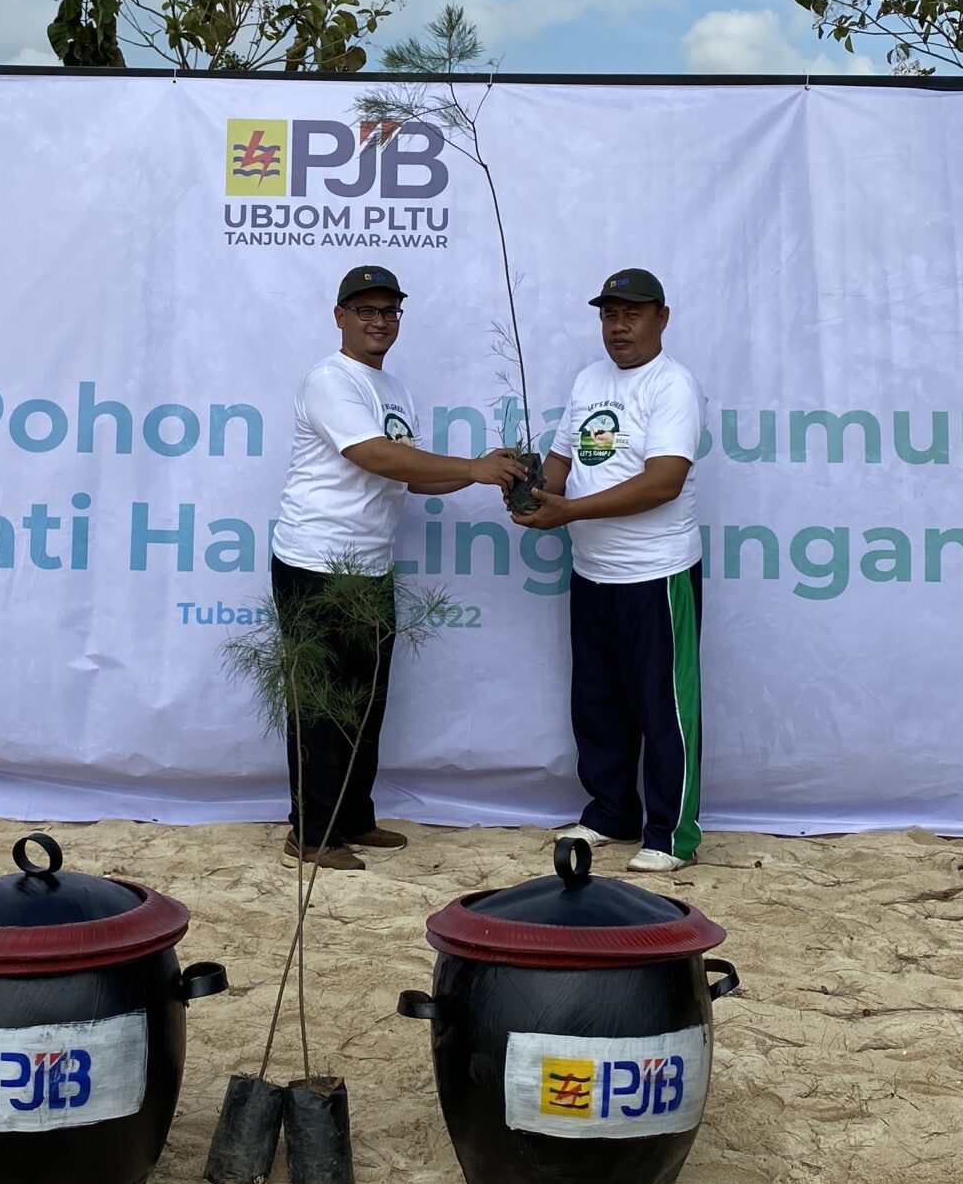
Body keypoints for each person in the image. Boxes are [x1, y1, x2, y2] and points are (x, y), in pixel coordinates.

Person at [272, 264, 529, 870]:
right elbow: (371, 454)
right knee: (321, 701)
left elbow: (409, 474)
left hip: (368, 562)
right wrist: (471, 468)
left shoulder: (395, 390)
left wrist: (488, 467)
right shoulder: (329, 380)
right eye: (366, 310)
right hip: (316, 560)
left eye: (388, 312)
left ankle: (352, 818)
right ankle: (310, 831)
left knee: (366, 698)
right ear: (340, 317)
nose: (378, 321)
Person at [511, 268, 706, 873]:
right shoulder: (589, 380)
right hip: (593, 571)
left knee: (663, 708)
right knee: (598, 703)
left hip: (657, 574)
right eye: (608, 315)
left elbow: (663, 483)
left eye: (632, 314)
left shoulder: (672, 385)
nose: (618, 327)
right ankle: (611, 812)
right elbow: (564, 461)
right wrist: (532, 490)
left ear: (662, 319)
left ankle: (672, 835)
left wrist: (568, 510)